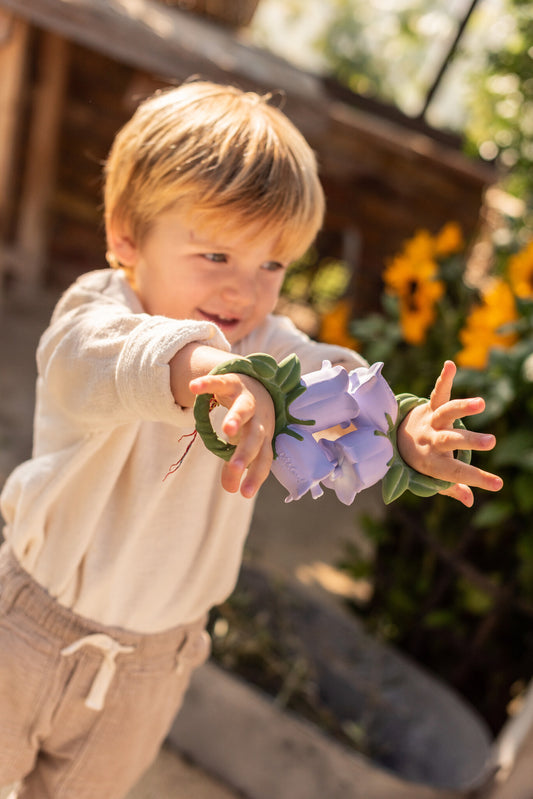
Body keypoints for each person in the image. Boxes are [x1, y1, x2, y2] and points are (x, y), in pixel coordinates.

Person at [0, 80, 503, 799]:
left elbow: (338, 384)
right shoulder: (94, 314)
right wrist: (216, 372)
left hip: (151, 666)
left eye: (271, 265)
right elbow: (106, 359)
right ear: (126, 236)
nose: (245, 291)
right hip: (24, 628)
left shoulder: (269, 348)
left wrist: (399, 434)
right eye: (215, 257)